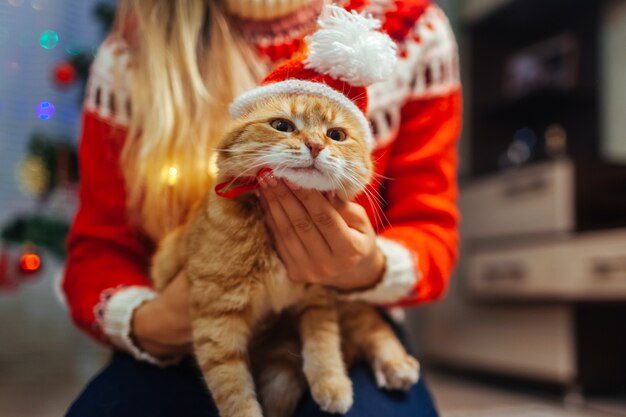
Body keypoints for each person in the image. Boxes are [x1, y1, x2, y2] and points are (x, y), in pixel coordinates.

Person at [62, 0, 462, 415]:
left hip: (344, 310)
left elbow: (429, 228)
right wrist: (144, 323)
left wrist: (368, 267)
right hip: (182, 325)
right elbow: (97, 248)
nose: (311, 144)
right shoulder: (130, 51)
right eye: (286, 126)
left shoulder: (413, 30)